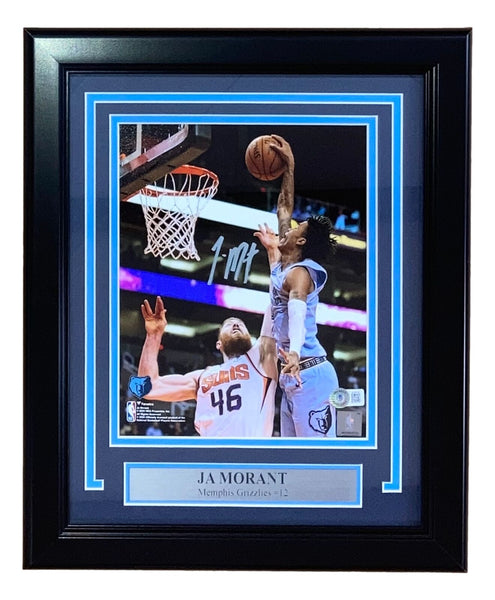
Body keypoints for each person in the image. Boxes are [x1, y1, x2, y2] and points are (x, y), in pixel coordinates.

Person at [254, 135, 339, 438]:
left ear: (300, 241)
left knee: (319, 458)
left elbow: (297, 310)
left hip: (309, 372)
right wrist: (289, 167)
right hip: (292, 374)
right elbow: (283, 207)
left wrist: (293, 351)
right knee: (295, 456)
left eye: (295, 228)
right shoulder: (284, 263)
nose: (288, 227)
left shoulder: (301, 273)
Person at [134, 296, 278, 437]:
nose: (235, 324)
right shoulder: (202, 377)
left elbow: (276, 301)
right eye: (229, 324)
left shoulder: (261, 359)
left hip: (250, 450)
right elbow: (148, 388)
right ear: (219, 344)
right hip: (212, 450)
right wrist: (154, 335)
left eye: (240, 324)